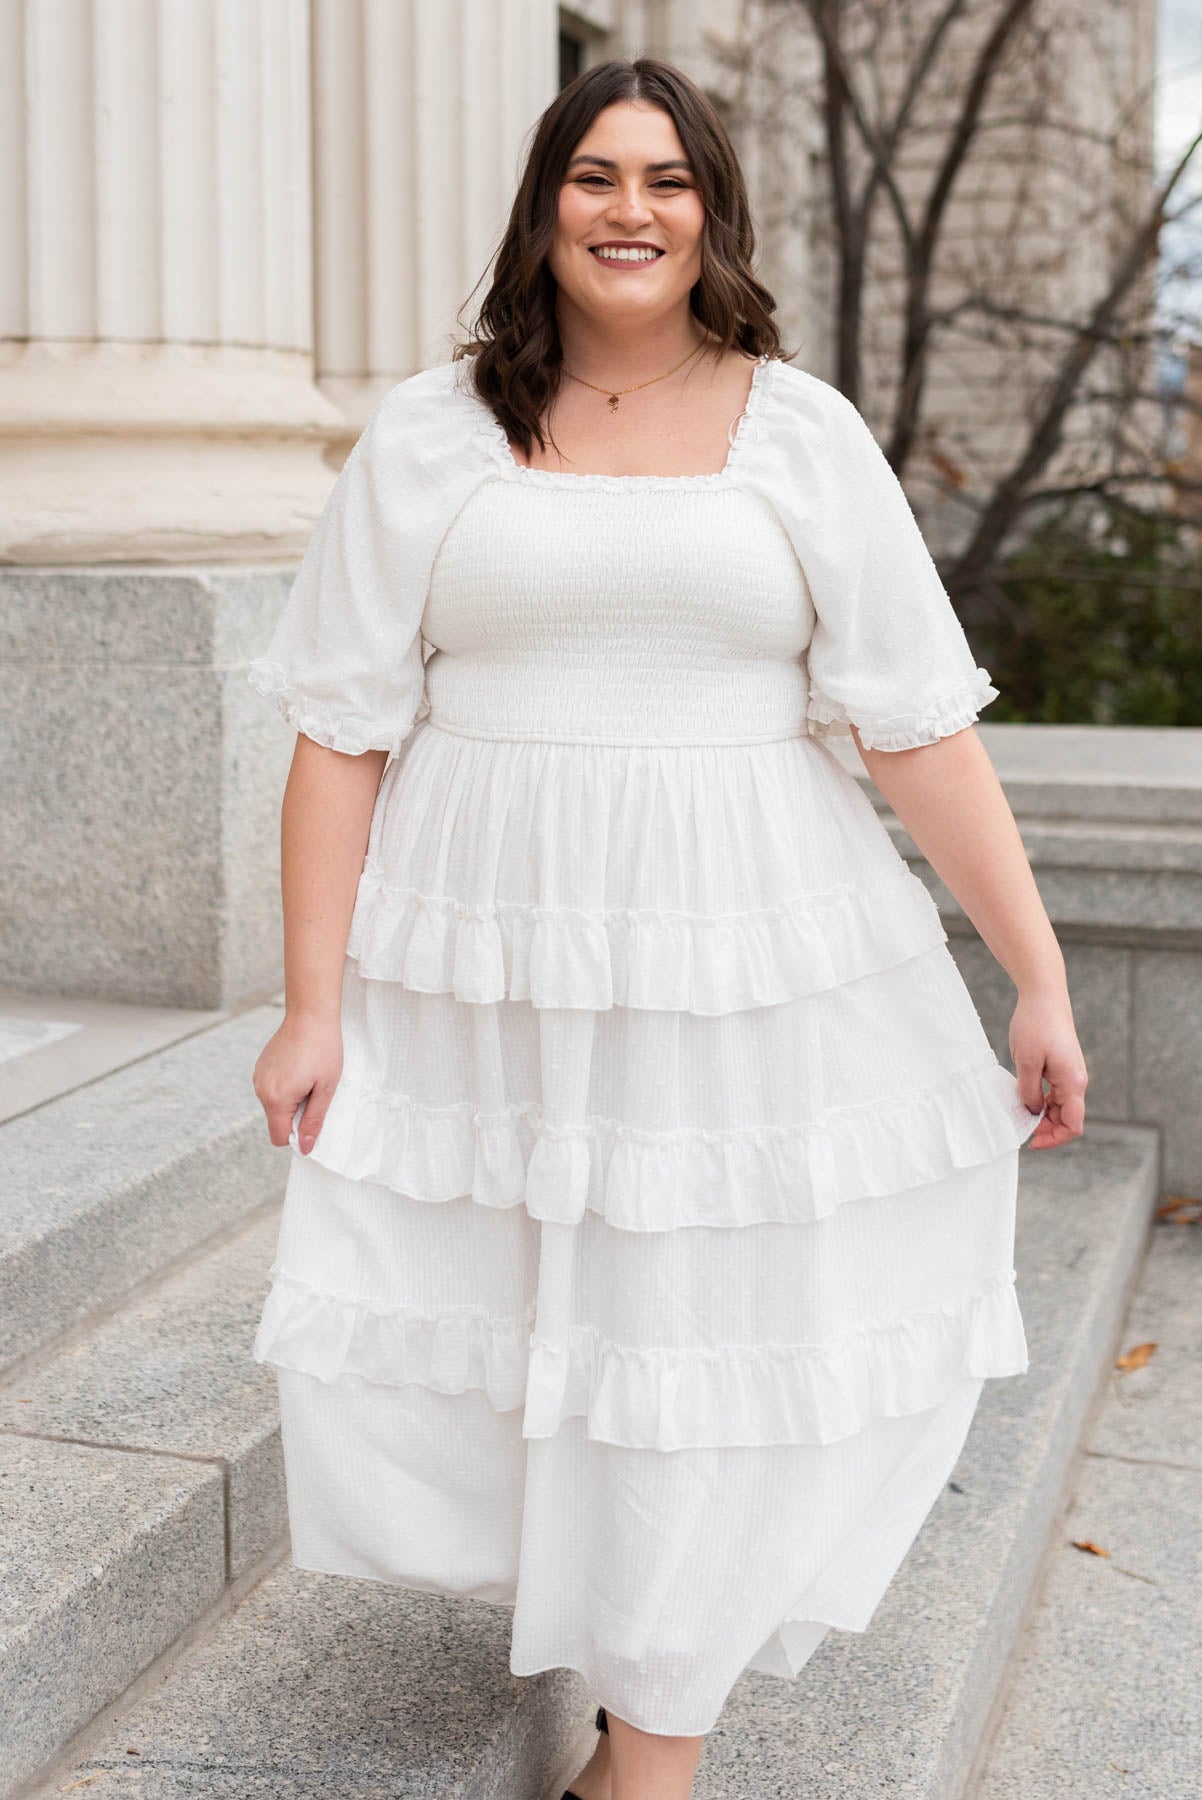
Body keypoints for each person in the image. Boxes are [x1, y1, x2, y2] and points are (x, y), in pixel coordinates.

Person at [248, 56, 1087, 1800]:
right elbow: (338, 737)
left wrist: (1036, 971)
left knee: (701, 1325)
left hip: (739, 951)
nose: (630, 210)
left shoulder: (799, 428)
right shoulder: (430, 427)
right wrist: (307, 1007)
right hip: (489, 953)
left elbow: (914, 725)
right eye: (594, 176)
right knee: (545, 1326)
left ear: (711, 214)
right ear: (543, 204)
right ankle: (619, 1674)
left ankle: (654, 1756)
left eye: (668, 180)